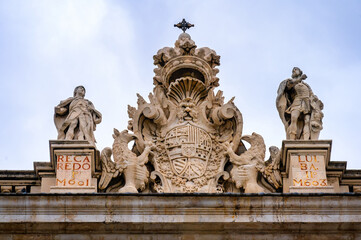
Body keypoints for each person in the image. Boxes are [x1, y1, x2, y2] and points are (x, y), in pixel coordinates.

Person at [276, 67, 321, 140]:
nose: (294, 70)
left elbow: (311, 94)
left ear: (300, 72)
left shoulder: (306, 85)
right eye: (293, 71)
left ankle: (306, 139)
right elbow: (289, 85)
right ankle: (291, 138)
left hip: (306, 102)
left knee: (307, 120)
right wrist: (300, 79)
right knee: (294, 118)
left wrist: (316, 100)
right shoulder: (291, 82)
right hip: (297, 101)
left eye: (295, 69)